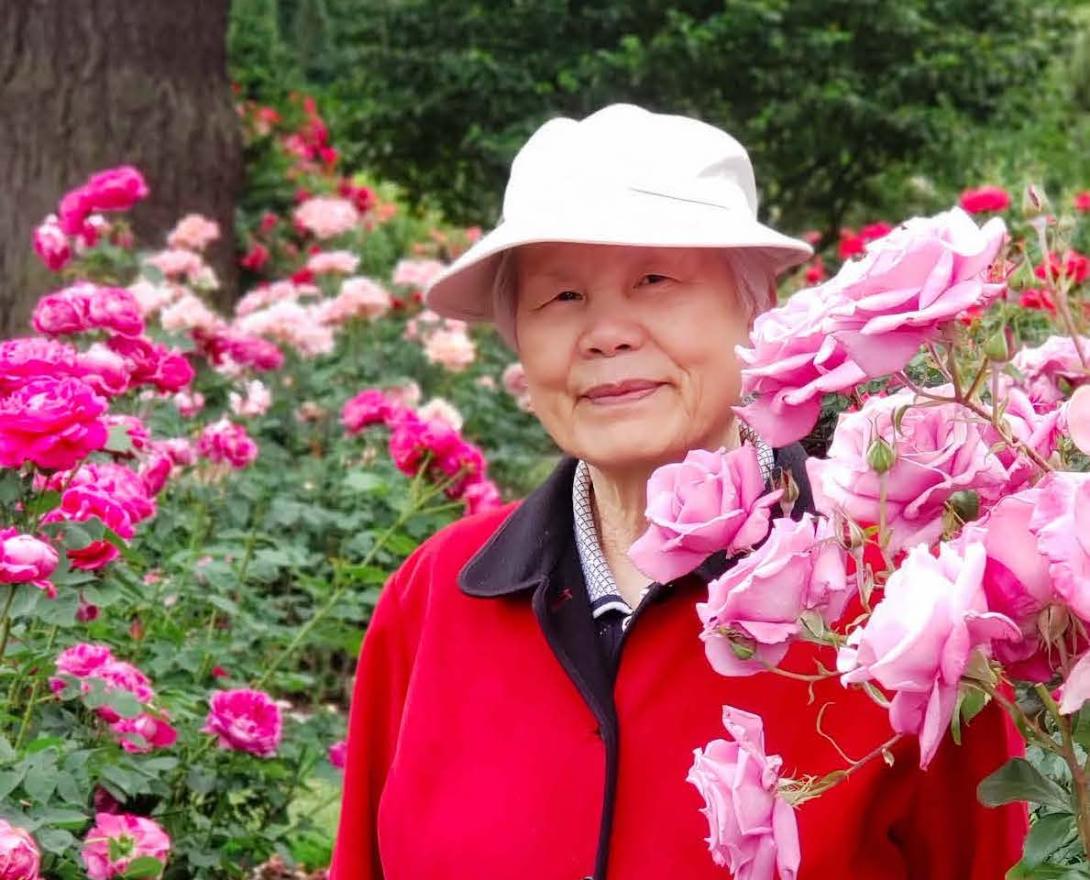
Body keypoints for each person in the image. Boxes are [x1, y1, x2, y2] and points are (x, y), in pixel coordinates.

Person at [330, 103, 1026, 879]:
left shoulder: (899, 608)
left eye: (655, 280)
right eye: (561, 298)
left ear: (755, 308)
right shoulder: (433, 599)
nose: (607, 333)